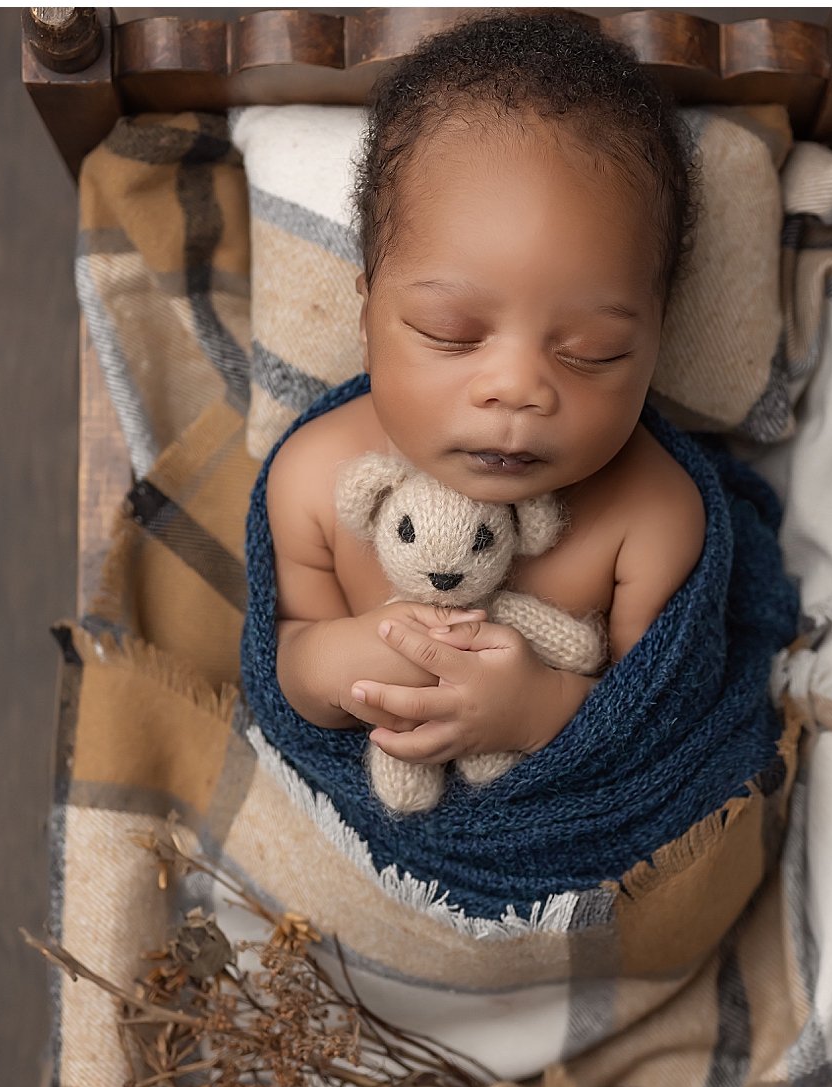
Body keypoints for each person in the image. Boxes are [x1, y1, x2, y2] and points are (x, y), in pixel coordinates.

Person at [265, 11, 706, 776]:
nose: (515, 390)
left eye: (590, 352)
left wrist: (540, 715)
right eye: (449, 332)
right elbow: (292, 646)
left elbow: (662, 721)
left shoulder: (652, 515)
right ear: (367, 318)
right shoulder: (312, 477)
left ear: (655, 343)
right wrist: (338, 662)